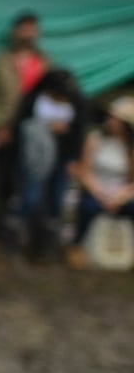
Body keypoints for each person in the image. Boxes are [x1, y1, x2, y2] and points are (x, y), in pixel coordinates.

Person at [0, 11, 51, 241]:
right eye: (24, 28)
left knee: (34, 184)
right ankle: (2, 234)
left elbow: (54, 95)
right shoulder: (0, 62)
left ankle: (32, 236)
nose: (29, 33)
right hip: (7, 133)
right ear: (14, 32)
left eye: (33, 29)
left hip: (37, 132)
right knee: (6, 184)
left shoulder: (44, 62)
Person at [7, 68, 86, 262]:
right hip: (34, 158)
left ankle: (47, 248)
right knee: (30, 197)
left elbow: (80, 131)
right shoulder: (33, 99)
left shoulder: (76, 102)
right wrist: (47, 127)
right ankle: (13, 241)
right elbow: (19, 128)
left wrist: (73, 158)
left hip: (61, 158)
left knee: (56, 201)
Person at [68, 96, 134, 264]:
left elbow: (132, 182)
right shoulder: (95, 139)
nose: (110, 121)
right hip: (97, 190)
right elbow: (85, 171)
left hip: (120, 194)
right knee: (87, 207)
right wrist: (101, 194)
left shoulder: (129, 148)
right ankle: (76, 247)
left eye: (115, 119)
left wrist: (120, 198)